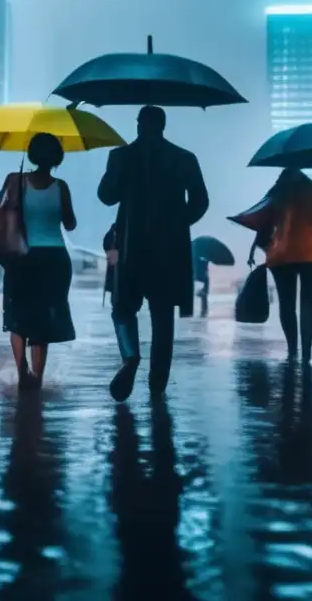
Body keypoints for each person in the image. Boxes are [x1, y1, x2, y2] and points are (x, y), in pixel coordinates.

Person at [98, 105, 209, 402]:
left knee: (123, 309)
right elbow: (200, 202)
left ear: (138, 125)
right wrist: (177, 222)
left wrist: (121, 175)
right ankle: (157, 385)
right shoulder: (184, 158)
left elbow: (106, 196)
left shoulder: (121, 156)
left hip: (130, 249)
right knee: (163, 318)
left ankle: (130, 357)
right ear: (162, 125)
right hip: (168, 252)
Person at [2, 132, 77, 390]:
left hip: (23, 256)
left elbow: (3, 213)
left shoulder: (16, 181)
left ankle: (22, 372)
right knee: (43, 319)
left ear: (32, 154)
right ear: (57, 157)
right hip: (55, 259)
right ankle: (38, 377)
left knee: (17, 316)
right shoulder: (61, 187)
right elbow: (71, 223)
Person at [256, 168, 312, 363]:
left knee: (287, 304)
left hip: (282, 256)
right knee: (309, 304)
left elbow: (261, 220)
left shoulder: (277, 192)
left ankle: (292, 349)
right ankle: (306, 352)